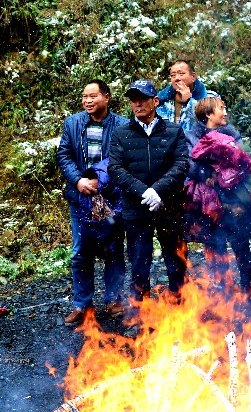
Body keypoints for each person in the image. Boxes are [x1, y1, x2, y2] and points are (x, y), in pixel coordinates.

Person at [108, 80, 190, 305]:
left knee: (176, 259)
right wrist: (144, 192)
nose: (138, 104)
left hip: (169, 206)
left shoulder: (173, 131)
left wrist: (158, 191)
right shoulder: (121, 134)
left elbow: (182, 164)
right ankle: (140, 312)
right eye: (134, 99)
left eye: (143, 98)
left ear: (155, 101)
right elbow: (115, 168)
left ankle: (180, 305)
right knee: (138, 262)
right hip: (136, 208)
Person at [56, 79, 127, 326]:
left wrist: (101, 181)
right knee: (80, 252)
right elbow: (64, 154)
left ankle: (113, 299)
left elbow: (121, 158)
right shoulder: (73, 123)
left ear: (106, 97)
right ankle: (82, 304)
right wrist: (78, 181)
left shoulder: (122, 125)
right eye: (84, 96)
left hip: (110, 199)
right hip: (80, 197)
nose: (87, 100)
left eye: (93, 96)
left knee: (114, 249)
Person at [186, 95, 251, 298]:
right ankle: (223, 289)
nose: (225, 112)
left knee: (240, 241)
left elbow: (244, 158)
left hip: (233, 197)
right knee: (214, 244)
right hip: (208, 201)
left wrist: (227, 174)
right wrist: (207, 173)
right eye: (221, 108)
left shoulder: (232, 134)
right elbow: (188, 163)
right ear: (208, 114)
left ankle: (247, 286)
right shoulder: (192, 136)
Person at [156, 60, 205, 134]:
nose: (176, 78)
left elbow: (208, 124)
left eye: (181, 74)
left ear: (193, 77)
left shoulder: (210, 98)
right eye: (173, 75)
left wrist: (190, 102)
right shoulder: (163, 102)